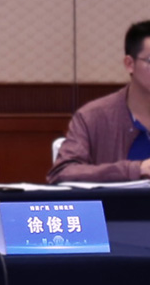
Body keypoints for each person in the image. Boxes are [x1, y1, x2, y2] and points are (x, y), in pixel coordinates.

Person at [47, 20, 150, 183]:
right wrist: (136, 170)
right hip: (118, 201)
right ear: (130, 64)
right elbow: (63, 172)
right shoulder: (93, 117)